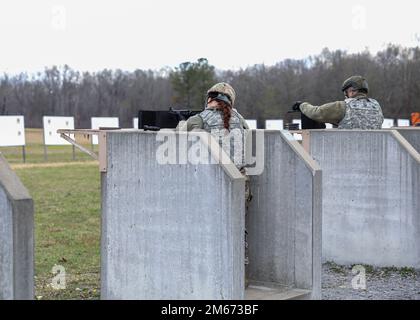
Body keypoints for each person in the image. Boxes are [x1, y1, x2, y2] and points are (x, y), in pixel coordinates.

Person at [179, 82, 252, 287]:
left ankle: (212, 278)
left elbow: (179, 134)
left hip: (213, 185)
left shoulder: (200, 119)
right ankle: (240, 277)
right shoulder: (239, 119)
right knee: (239, 230)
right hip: (241, 182)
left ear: (210, 98)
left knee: (209, 232)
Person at [292, 75, 384, 129]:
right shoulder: (376, 107)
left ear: (351, 91)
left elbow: (316, 113)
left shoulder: (342, 107)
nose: (346, 96)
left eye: (346, 93)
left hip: (344, 154)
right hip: (373, 155)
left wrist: (302, 105)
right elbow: (360, 122)